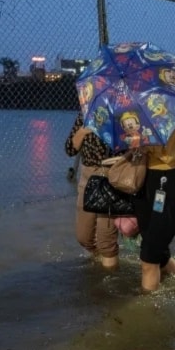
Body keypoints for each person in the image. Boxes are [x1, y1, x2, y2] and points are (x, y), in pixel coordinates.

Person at [134, 114, 175, 292]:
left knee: (149, 258)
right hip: (143, 179)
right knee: (159, 251)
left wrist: (146, 146)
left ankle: (148, 314)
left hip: (167, 180)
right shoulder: (139, 104)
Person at [65, 112, 119, 269]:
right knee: (84, 237)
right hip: (88, 176)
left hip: (113, 176)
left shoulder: (123, 114)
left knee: (106, 240)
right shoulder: (86, 114)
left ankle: (110, 282)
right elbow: (70, 149)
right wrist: (83, 131)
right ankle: (99, 272)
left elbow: (133, 147)